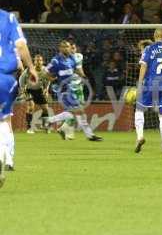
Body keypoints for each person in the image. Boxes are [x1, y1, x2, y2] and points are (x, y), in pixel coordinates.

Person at [0, 9, 38, 183]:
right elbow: (21, 50)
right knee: (5, 120)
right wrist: (31, 68)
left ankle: (5, 157)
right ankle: (7, 157)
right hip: (6, 79)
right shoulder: (8, 19)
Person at [43, 41, 102, 142]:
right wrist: (54, 80)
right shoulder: (56, 60)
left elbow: (76, 70)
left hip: (71, 89)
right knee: (79, 111)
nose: (66, 48)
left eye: (68, 47)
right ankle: (90, 135)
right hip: (63, 90)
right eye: (64, 47)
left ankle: (49, 120)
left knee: (74, 113)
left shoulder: (71, 59)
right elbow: (45, 72)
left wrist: (84, 77)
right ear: (60, 48)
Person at [19, 54, 50, 134]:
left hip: (39, 90)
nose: (38, 62)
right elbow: (21, 79)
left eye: (40, 60)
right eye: (37, 60)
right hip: (28, 90)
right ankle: (29, 128)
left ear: (42, 61)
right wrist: (22, 89)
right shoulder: (30, 70)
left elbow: (48, 80)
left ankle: (45, 126)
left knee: (45, 108)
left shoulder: (45, 70)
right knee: (31, 107)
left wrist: (46, 89)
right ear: (34, 62)